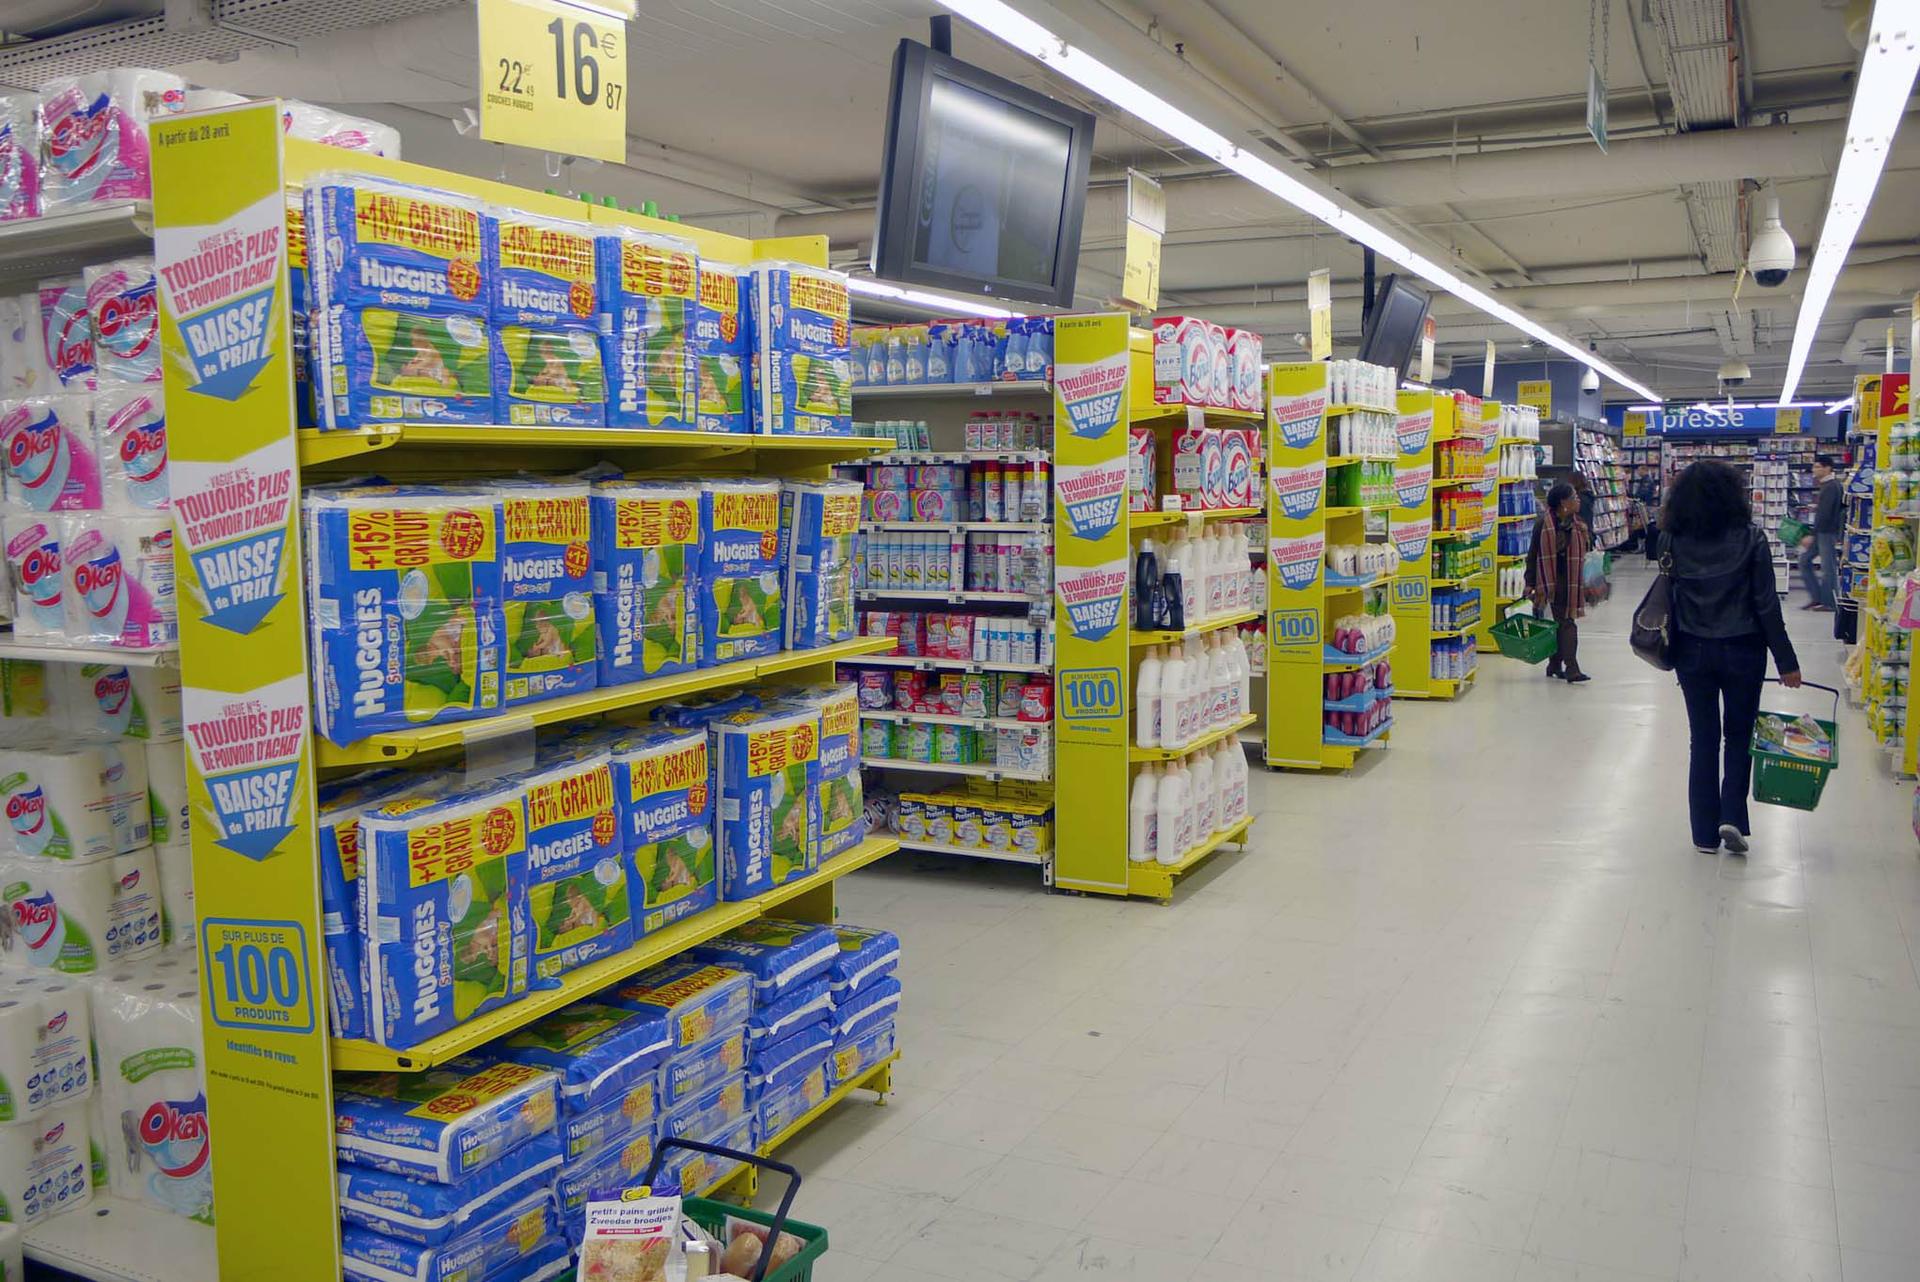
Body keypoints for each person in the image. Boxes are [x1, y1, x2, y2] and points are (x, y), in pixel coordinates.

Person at [1661, 460, 1802, 855]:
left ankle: (1703, 833)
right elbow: (1766, 605)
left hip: (1691, 651)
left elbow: (1670, 595)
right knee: (1739, 735)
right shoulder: (1752, 539)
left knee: (1702, 738)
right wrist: (1786, 661)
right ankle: (1732, 817)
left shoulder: (1671, 540)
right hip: (1743, 650)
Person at [1525, 481, 1591, 682]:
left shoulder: (1577, 524)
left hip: (1571, 581)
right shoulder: (1543, 525)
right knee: (1567, 624)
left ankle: (1554, 665)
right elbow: (1533, 555)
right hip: (1549, 582)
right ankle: (1572, 668)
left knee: (1559, 624)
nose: (1578, 501)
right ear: (1563, 503)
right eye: (1574, 498)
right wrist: (1530, 582)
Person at [1799, 454, 1843, 612]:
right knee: (1804, 560)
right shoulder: (1827, 485)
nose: (1814, 470)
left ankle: (1829, 602)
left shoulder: (1831, 486)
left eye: (1817, 467)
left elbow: (1826, 514)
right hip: (1822, 531)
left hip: (1826, 532)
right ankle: (1817, 598)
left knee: (1828, 567)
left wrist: (1812, 534)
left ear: (1827, 468)